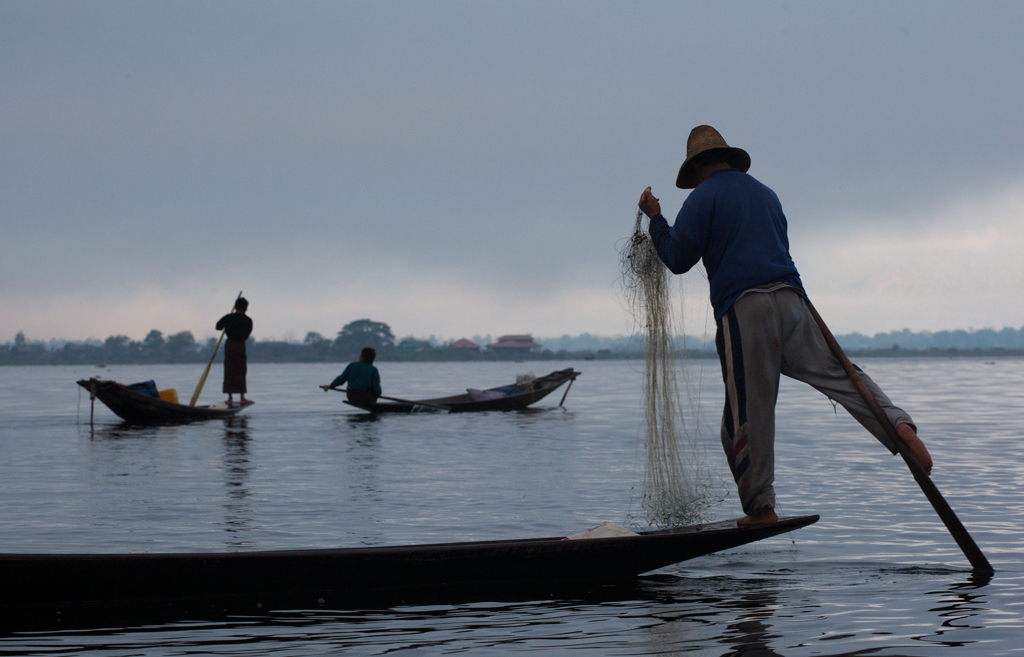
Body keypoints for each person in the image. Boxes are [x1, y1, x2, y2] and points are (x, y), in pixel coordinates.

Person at [638, 125, 932, 526]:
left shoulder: (703, 198)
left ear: (699, 169)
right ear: (728, 158)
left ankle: (761, 508)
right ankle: (898, 425)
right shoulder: (766, 194)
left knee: (745, 418)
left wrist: (656, 219)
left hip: (746, 309)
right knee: (842, 375)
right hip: (794, 302)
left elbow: (677, 258)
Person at [216, 297, 253, 407]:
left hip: (230, 345)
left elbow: (218, 326)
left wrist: (227, 324)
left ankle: (230, 398)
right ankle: (242, 398)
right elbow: (246, 335)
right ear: (246, 308)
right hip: (240, 345)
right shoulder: (248, 320)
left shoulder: (228, 317)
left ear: (236, 307)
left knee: (229, 369)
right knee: (241, 369)